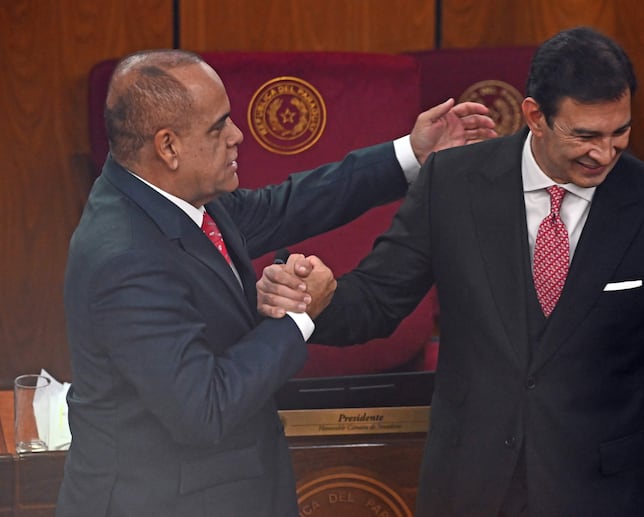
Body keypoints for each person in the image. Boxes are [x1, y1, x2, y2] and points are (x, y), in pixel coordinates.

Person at [257, 27, 644, 516]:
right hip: (467, 488)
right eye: (584, 135)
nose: (604, 153)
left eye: (619, 131)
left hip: (602, 496)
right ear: (535, 115)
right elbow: (380, 301)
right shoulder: (452, 182)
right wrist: (318, 300)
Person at [55, 48, 496, 517]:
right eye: (218, 126)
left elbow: (289, 204)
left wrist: (410, 153)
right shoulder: (125, 257)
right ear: (168, 146)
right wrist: (299, 315)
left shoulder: (174, 198)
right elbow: (205, 410)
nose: (237, 136)